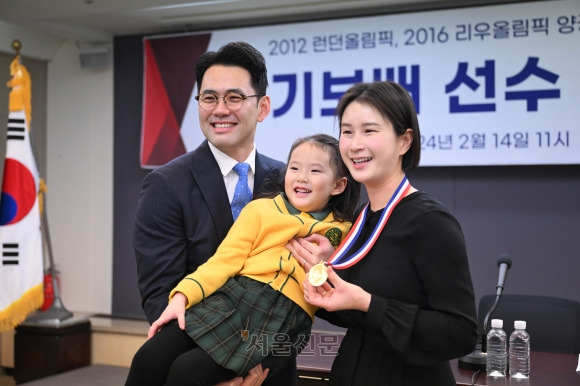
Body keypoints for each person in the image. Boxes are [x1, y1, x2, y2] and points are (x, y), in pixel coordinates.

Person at [126, 134, 360, 386]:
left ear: (338, 185)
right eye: (294, 167)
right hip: (231, 302)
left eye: (315, 170)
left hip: (283, 324)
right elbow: (223, 261)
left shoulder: (345, 232)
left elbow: (343, 290)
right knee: (147, 358)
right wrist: (182, 296)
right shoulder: (261, 210)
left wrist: (326, 265)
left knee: (187, 372)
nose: (302, 177)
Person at [286, 81, 478, 385]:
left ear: (404, 141)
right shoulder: (363, 217)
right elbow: (357, 315)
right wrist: (328, 280)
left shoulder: (430, 221)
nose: (354, 144)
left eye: (369, 131)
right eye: (347, 131)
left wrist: (367, 302)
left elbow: (462, 333)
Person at [134, 41, 289, 385]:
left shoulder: (288, 181)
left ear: (262, 107)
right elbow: (160, 293)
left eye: (234, 98)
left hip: (271, 360)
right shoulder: (166, 184)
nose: (220, 109)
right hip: (198, 363)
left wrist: (257, 360)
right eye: (209, 98)